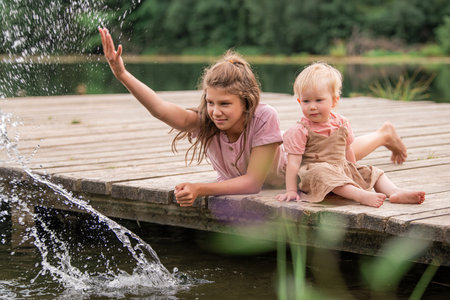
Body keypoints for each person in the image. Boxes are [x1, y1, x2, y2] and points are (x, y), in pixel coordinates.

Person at [98, 27, 409, 207]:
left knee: (335, 154)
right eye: (210, 102)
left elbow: (251, 183)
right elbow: (161, 109)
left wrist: (200, 187)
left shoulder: (263, 116)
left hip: (298, 166)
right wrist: (122, 73)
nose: (215, 111)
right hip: (279, 172)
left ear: (246, 103)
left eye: (225, 104)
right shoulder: (208, 120)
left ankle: (383, 134)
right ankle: (382, 134)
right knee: (335, 150)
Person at [275, 62, 425, 207]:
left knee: (373, 171)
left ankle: (394, 191)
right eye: (306, 101)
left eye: (319, 100)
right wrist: (291, 191)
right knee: (323, 173)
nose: (312, 106)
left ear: (334, 101)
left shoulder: (341, 123)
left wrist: (354, 170)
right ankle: (360, 195)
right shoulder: (300, 130)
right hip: (315, 175)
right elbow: (293, 163)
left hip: (340, 168)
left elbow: (348, 150)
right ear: (299, 101)